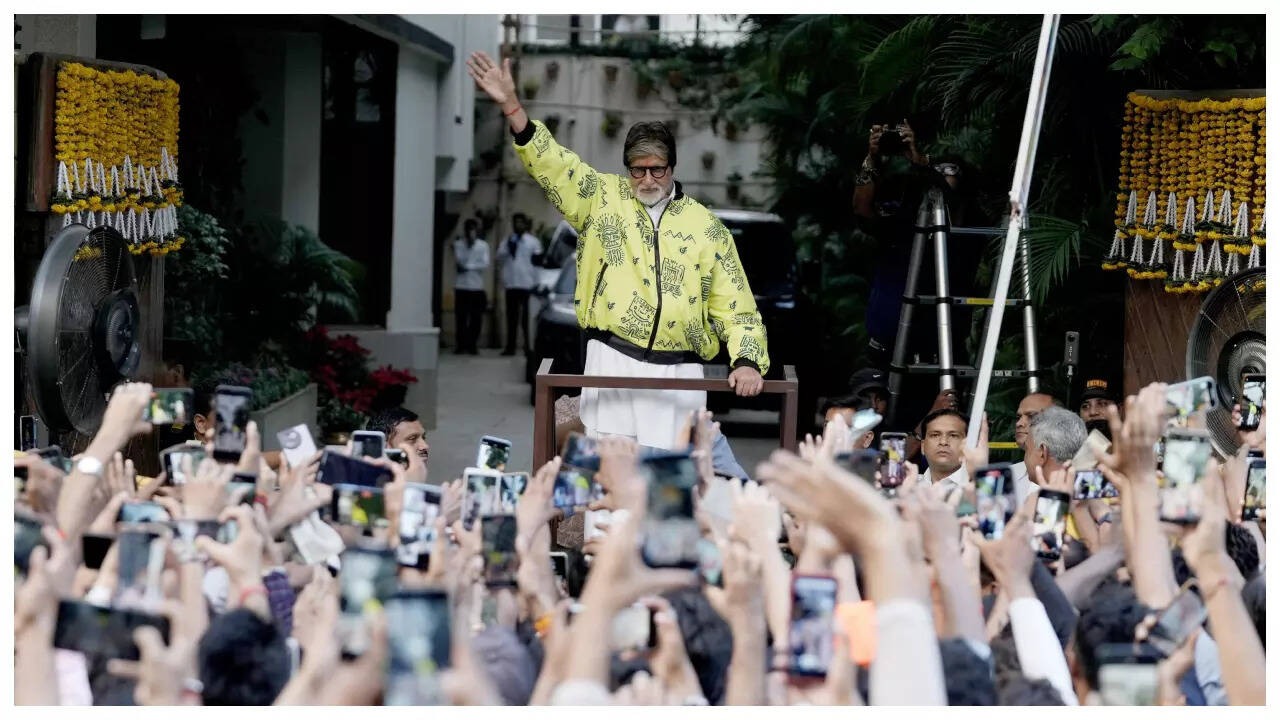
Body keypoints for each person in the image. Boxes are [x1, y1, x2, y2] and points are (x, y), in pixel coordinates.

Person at [467, 51, 769, 450]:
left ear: (673, 168)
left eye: (656, 169)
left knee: (669, 492)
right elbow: (554, 165)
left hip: (680, 372)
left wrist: (747, 360)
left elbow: (736, 304)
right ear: (626, 167)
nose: (646, 178)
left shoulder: (705, 226)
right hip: (611, 360)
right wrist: (511, 106)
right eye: (636, 169)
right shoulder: (600, 199)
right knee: (610, 482)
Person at [498, 213, 544, 356]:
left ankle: (527, 347)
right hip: (511, 284)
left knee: (526, 319)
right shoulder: (508, 241)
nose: (518, 225)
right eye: (515, 222)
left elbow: (538, 263)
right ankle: (510, 347)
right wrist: (509, 246)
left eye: (520, 222)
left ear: (525, 224)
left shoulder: (533, 242)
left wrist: (537, 283)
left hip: (527, 285)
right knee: (511, 318)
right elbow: (499, 256)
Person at [1011, 393, 1058, 502]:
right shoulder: (1007, 476)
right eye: (1019, 417)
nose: (1019, 423)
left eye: (1031, 416)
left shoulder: (1075, 476)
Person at [454, 218, 490, 355]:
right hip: (461, 285)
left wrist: (469, 267)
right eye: (468, 230)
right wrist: (468, 247)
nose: (470, 233)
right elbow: (459, 261)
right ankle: (461, 344)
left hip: (476, 287)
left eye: (473, 230)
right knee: (461, 318)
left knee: (476, 318)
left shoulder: (483, 246)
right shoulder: (459, 244)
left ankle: (472, 344)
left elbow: (484, 264)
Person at [918, 408, 969, 489]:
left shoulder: (980, 487)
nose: (943, 442)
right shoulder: (906, 487)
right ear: (923, 446)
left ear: (967, 445)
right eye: (935, 435)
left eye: (953, 435)